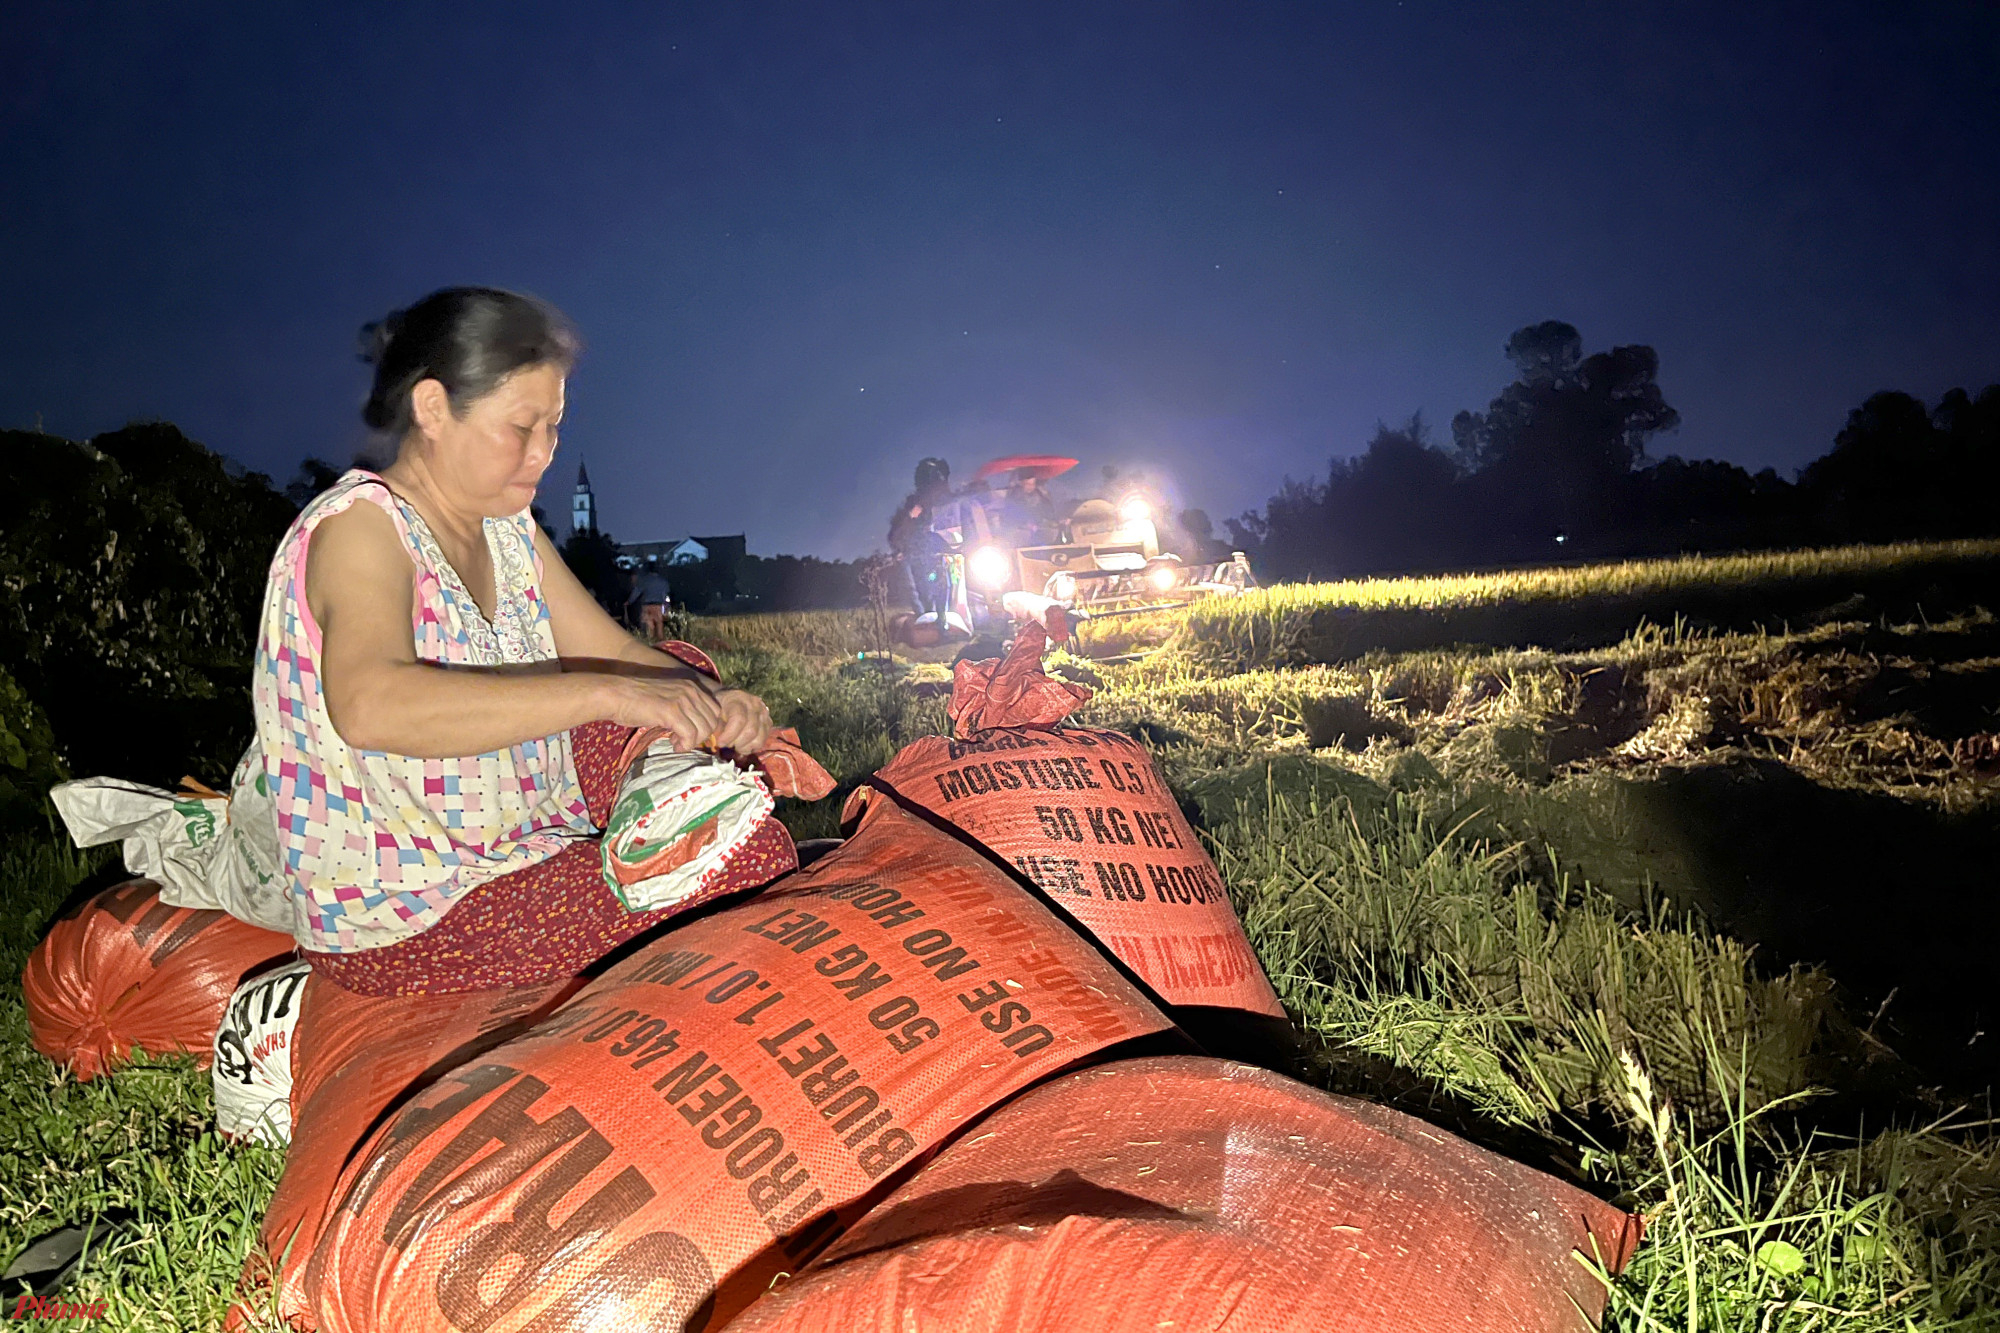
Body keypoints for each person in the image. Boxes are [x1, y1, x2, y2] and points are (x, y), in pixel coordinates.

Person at [251, 286, 786, 998]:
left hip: (524, 840)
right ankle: (662, 854)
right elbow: (370, 704)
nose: (543, 453)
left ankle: (663, 833)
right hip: (412, 914)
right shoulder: (361, 528)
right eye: (521, 427)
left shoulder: (508, 530)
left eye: (554, 428)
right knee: (744, 861)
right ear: (435, 408)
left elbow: (621, 653)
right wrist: (606, 690)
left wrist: (714, 703)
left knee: (679, 676)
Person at [888, 456, 952, 616]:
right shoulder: (915, 503)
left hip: (940, 549)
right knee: (924, 589)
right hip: (921, 551)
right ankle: (929, 619)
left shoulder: (944, 499)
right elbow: (899, 530)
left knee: (943, 586)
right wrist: (910, 517)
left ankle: (942, 618)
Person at [627, 563, 672, 641]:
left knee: (648, 630)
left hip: (646, 607)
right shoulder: (663, 582)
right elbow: (666, 597)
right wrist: (666, 609)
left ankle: (650, 645)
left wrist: (629, 601)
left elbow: (636, 592)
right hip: (658, 607)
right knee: (659, 627)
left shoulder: (644, 581)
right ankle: (661, 646)